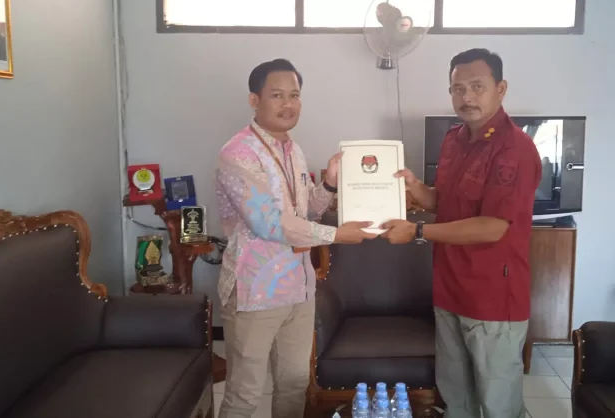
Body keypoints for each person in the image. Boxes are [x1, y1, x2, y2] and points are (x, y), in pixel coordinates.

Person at [380, 49, 541, 418]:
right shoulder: (454, 139)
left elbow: (493, 226)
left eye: (477, 87)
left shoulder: (515, 149)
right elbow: (445, 202)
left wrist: (417, 230)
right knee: (456, 398)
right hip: (450, 289)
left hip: (493, 298)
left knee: (498, 403)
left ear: (501, 88)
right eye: (458, 89)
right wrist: (414, 186)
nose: (467, 97)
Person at [215, 58, 376, 418]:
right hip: (255, 291)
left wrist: (329, 184)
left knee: (293, 384)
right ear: (254, 100)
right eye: (277, 95)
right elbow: (269, 224)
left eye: (295, 95)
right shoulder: (237, 154)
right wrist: (337, 235)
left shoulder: (294, 150)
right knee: (244, 393)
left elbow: (305, 215)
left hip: (299, 289)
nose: (288, 104)